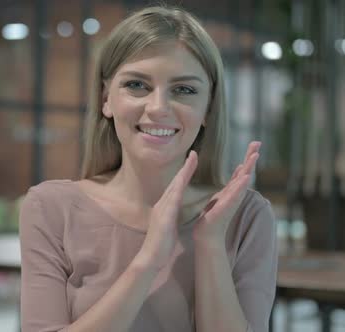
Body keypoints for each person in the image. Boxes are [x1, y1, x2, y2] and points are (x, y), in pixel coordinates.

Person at [20, 5, 277, 332]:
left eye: (184, 90)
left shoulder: (246, 217)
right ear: (106, 99)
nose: (158, 108)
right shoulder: (51, 208)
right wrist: (149, 260)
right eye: (137, 85)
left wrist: (210, 241)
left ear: (208, 109)